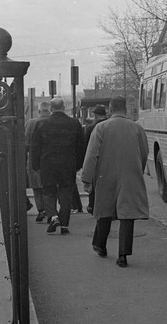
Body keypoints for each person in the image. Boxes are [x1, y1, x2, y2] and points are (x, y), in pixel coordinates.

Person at [81, 96, 149, 268]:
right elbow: (144, 152)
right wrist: (138, 170)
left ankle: (100, 245)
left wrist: (87, 179)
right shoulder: (137, 128)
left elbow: (91, 156)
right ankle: (123, 255)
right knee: (127, 214)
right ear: (125, 109)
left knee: (104, 211)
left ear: (110, 109)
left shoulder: (101, 128)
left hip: (105, 174)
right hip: (130, 175)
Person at [30, 96, 85, 235]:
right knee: (66, 193)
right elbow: (81, 146)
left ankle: (53, 216)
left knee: (48, 192)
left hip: (48, 164)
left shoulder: (42, 124)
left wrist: (35, 165)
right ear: (64, 107)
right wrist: (78, 164)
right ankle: (65, 225)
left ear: (51, 108)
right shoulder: (74, 123)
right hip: (68, 164)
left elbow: (35, 146)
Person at [25, 100, 51, 222]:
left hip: (34, 158)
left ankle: (41, 210)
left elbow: (25, 143)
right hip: (50, 158)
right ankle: (51, 211)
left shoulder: (31, 123)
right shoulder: (53, 122)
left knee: (37, 187)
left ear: (39, 111)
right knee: (49, 187)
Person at [82, 104, 108, 214]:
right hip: (108, 160)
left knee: (94, 185)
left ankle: (92, 205)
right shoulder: (110, 126)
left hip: (95, 160)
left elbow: (86, 147)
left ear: (96, 115)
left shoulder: (90, 129)